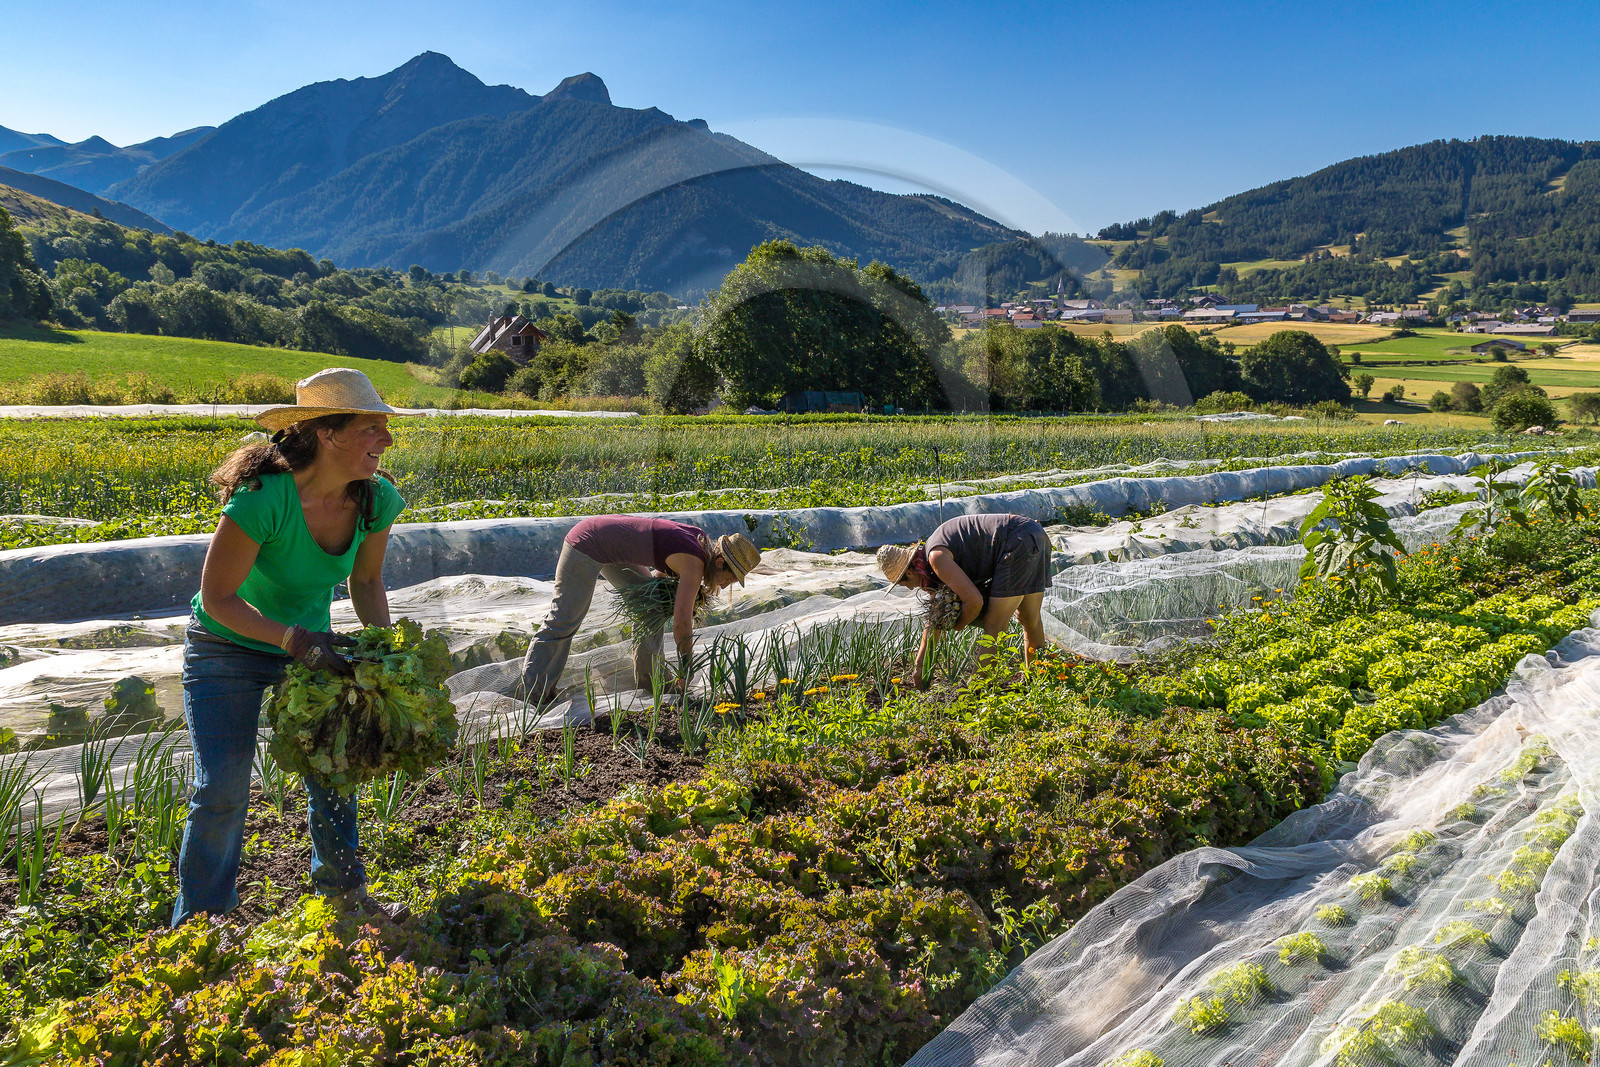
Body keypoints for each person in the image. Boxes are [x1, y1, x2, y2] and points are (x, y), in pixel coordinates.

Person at [172, 368, 406, 927]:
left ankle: (345, 898)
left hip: (308, 647)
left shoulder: (375, 500)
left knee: (334, 769)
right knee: (223, 786)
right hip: (225, 648)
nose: (387, 439)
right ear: (328, 433)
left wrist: (385, 650)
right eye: (372, 427)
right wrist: (294, 639)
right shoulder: (264, 498)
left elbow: (366, 581)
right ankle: (200, 924)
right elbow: (219, 598)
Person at [520, 517, 762, 701]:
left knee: (652, 605)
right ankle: (532, 693)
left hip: (610, 548)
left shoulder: (699, 542)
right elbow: (681, 623)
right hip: (587, 543)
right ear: (719, 562)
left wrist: (672, 597)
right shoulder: (694, 563)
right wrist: (687, 666)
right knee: (564, 619)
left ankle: (652, 683)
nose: (726, 585)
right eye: (729, 578)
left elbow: (659, 575)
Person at [876, 512, 1053, 689]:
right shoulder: (932, 560)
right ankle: (1039, 680)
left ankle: (975, 690)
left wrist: (958, 624)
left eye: (903, 583)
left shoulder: (937, 558)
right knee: (1029, 618)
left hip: (1016, 540)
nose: (909, 588)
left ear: (909, 572)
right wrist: (920, 665)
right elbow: (934, 621)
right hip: (1032, 533)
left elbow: (974, 602)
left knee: (994, 625)